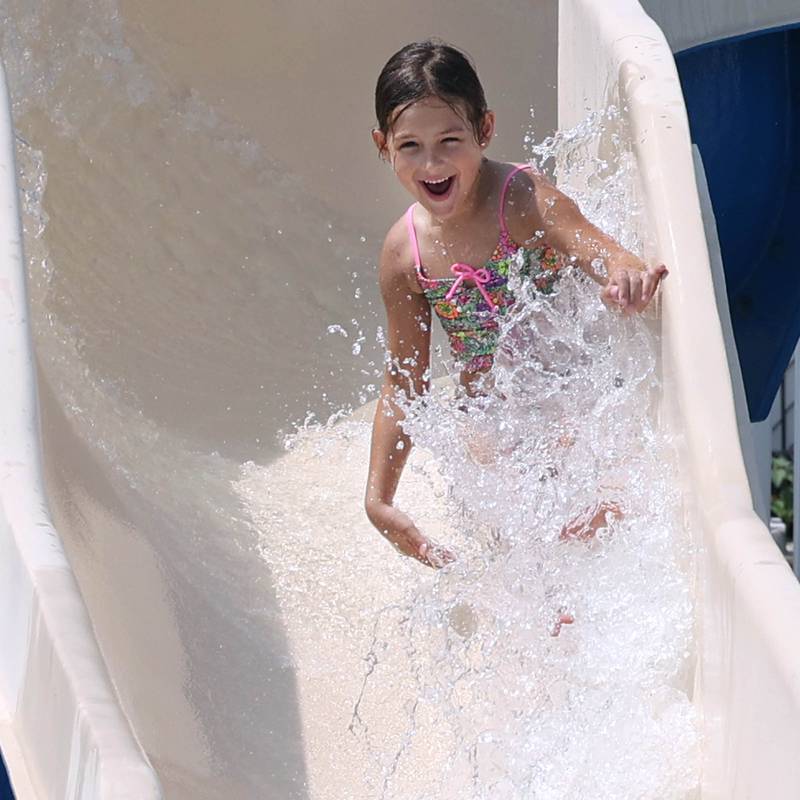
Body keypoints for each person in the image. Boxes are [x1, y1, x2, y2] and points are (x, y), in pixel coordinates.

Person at [364, 39, 667, 583]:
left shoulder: (523, 198)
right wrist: (378, 498)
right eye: (410, 145)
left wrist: (625, 274)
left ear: (484, 130)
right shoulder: (403, 253)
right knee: (514, 522)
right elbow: (405, 380)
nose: (431, 163)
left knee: (586, 508)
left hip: (568, 392)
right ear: (383, 146)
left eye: (449, 140)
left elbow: (598, 249)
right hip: (493, 422)